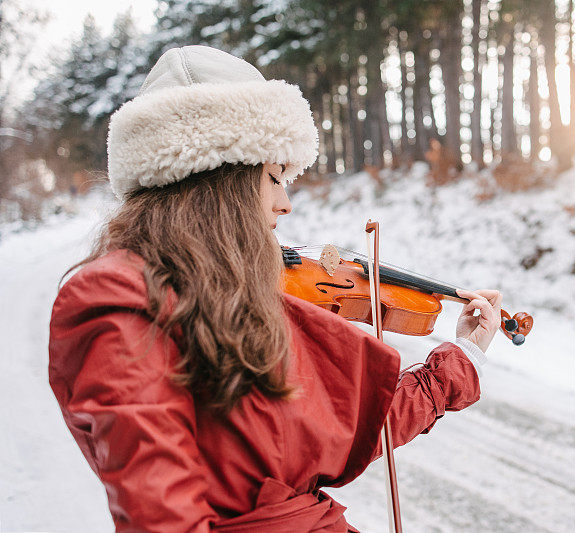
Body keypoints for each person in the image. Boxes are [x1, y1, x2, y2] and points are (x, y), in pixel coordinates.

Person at [48, 45, 502, 532]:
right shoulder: (117, 300)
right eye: (274, 177)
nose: (285, 204)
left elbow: (346, 431)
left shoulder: (236, 295)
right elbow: (162, 519)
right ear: (220, 175)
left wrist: (461, 359)